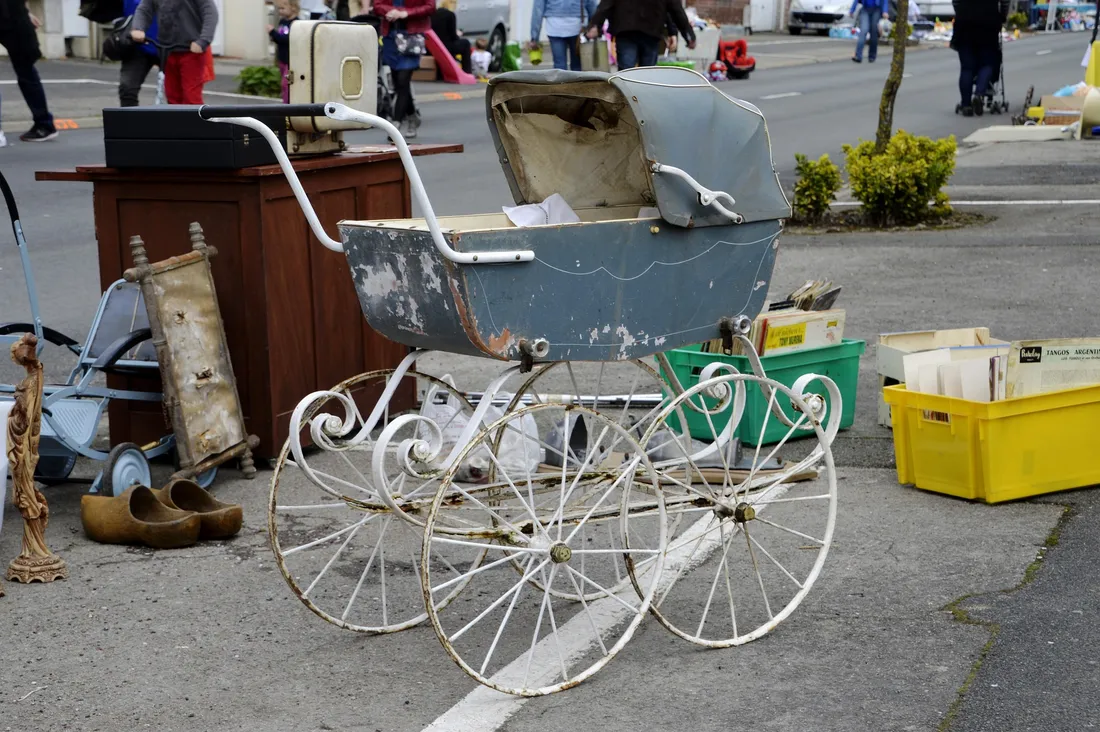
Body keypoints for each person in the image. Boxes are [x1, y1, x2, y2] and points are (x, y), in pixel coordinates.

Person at [132, 0, 218, 105]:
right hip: (167, 51)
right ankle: (176, 121)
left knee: (191, 97)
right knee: (172, 96)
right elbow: (144, 9)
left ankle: (195, 121)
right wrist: (138, 28)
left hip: (191, 51)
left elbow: (210, 13)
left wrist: (203, 41)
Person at [374, 0, 435, 139]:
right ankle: (413, 116)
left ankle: (396, 124)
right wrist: (390, 11)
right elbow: (377, 6)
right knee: (398, 83)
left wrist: (405, 13)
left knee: (403, 80)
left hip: (411, 36)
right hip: (390, 36)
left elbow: (430, 7)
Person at [0, 0, 59, 144]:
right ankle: (44, 123)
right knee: (26, 72)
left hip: (12, 14)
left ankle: (44, 123)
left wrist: (25, 12)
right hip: (14, 14)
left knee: (26, 71)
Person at [586, 0, 694, 70]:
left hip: (626, 31)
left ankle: (626, 101)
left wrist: (595, 24)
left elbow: (606, 5)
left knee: (626, 72)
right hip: (651, 32)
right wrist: (688, 35)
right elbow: (675, 9)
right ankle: (642, 102)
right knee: (646, 75)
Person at [952, 0, 1008, 116]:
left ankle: (966, 104)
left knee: (967, 68)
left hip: (964, 22)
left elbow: (956, 1)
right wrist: (1002, 16)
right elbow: (1005, 2)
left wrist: (961, 12)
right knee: (987, 63)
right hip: (988, 21)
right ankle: (979, 93)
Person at [529, 0, 598, 71]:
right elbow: (592, 5)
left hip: (554, 26)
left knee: (559, 65)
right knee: (577, 66)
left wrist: (534, 37)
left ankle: (561, 81)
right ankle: (577, 80)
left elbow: (537, 10)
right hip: (578, 26)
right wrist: (594, 26)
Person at [119, 0, 160, 107]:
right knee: (127, 89)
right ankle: (130, 122)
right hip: (137, 44)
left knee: (177, 93)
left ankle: (180, 121)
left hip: (169, 46)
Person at [269, 0, 300, 103]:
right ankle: (285, 102)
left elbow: (288, 39)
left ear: (293, 8)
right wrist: (273, 36)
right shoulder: (282, 22)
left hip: (290, 59)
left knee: (286, 83)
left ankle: (287, 105)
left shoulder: (296, 24)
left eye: (282, 8)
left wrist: (273, 32)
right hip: (282, 58)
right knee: (284, 84)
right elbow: (279, 38)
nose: (280, 11)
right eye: (279, 9)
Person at [432, 0, 472, 75]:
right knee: (466, 43)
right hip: (447, 47)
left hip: (435, 47)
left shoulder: (433, 14)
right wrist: (458, 35)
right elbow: (453, 36)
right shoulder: (450, 15)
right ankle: (467, 71)